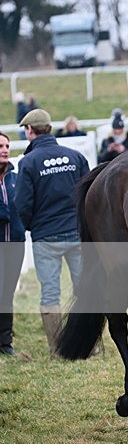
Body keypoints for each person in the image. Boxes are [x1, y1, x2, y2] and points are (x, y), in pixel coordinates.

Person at [14, 108, 89, 356]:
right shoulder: (75, 157)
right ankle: (90, 346)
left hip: (45, 235)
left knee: (50, 293)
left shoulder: (28, 162)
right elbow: (89, 195)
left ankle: (57, 349)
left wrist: (29, 226)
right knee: (84, 289)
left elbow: (23, 204)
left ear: (29, 130)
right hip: (76, 232)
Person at [0, 131, 26, 356]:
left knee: (7, 293)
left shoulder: (15, 177)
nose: (5, 149)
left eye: (7, 145)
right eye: (0, 146)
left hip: (15, 243)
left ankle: (5, 341)